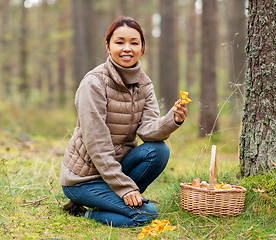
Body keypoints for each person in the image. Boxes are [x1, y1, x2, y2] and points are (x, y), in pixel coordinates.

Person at [60, 16, 188, 228]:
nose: (127, 48)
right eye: (119, 42)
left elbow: (148, 131)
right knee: (146, 215)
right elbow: (97, 145)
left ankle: (110, 203)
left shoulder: (144, 84)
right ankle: (83, 213)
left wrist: (171, 120)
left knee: (159, 150)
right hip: (83, 179)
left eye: (134, 43)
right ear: (108, 46)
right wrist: (124, 187)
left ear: (142, 48)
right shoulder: (93, 83)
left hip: (116, 168)